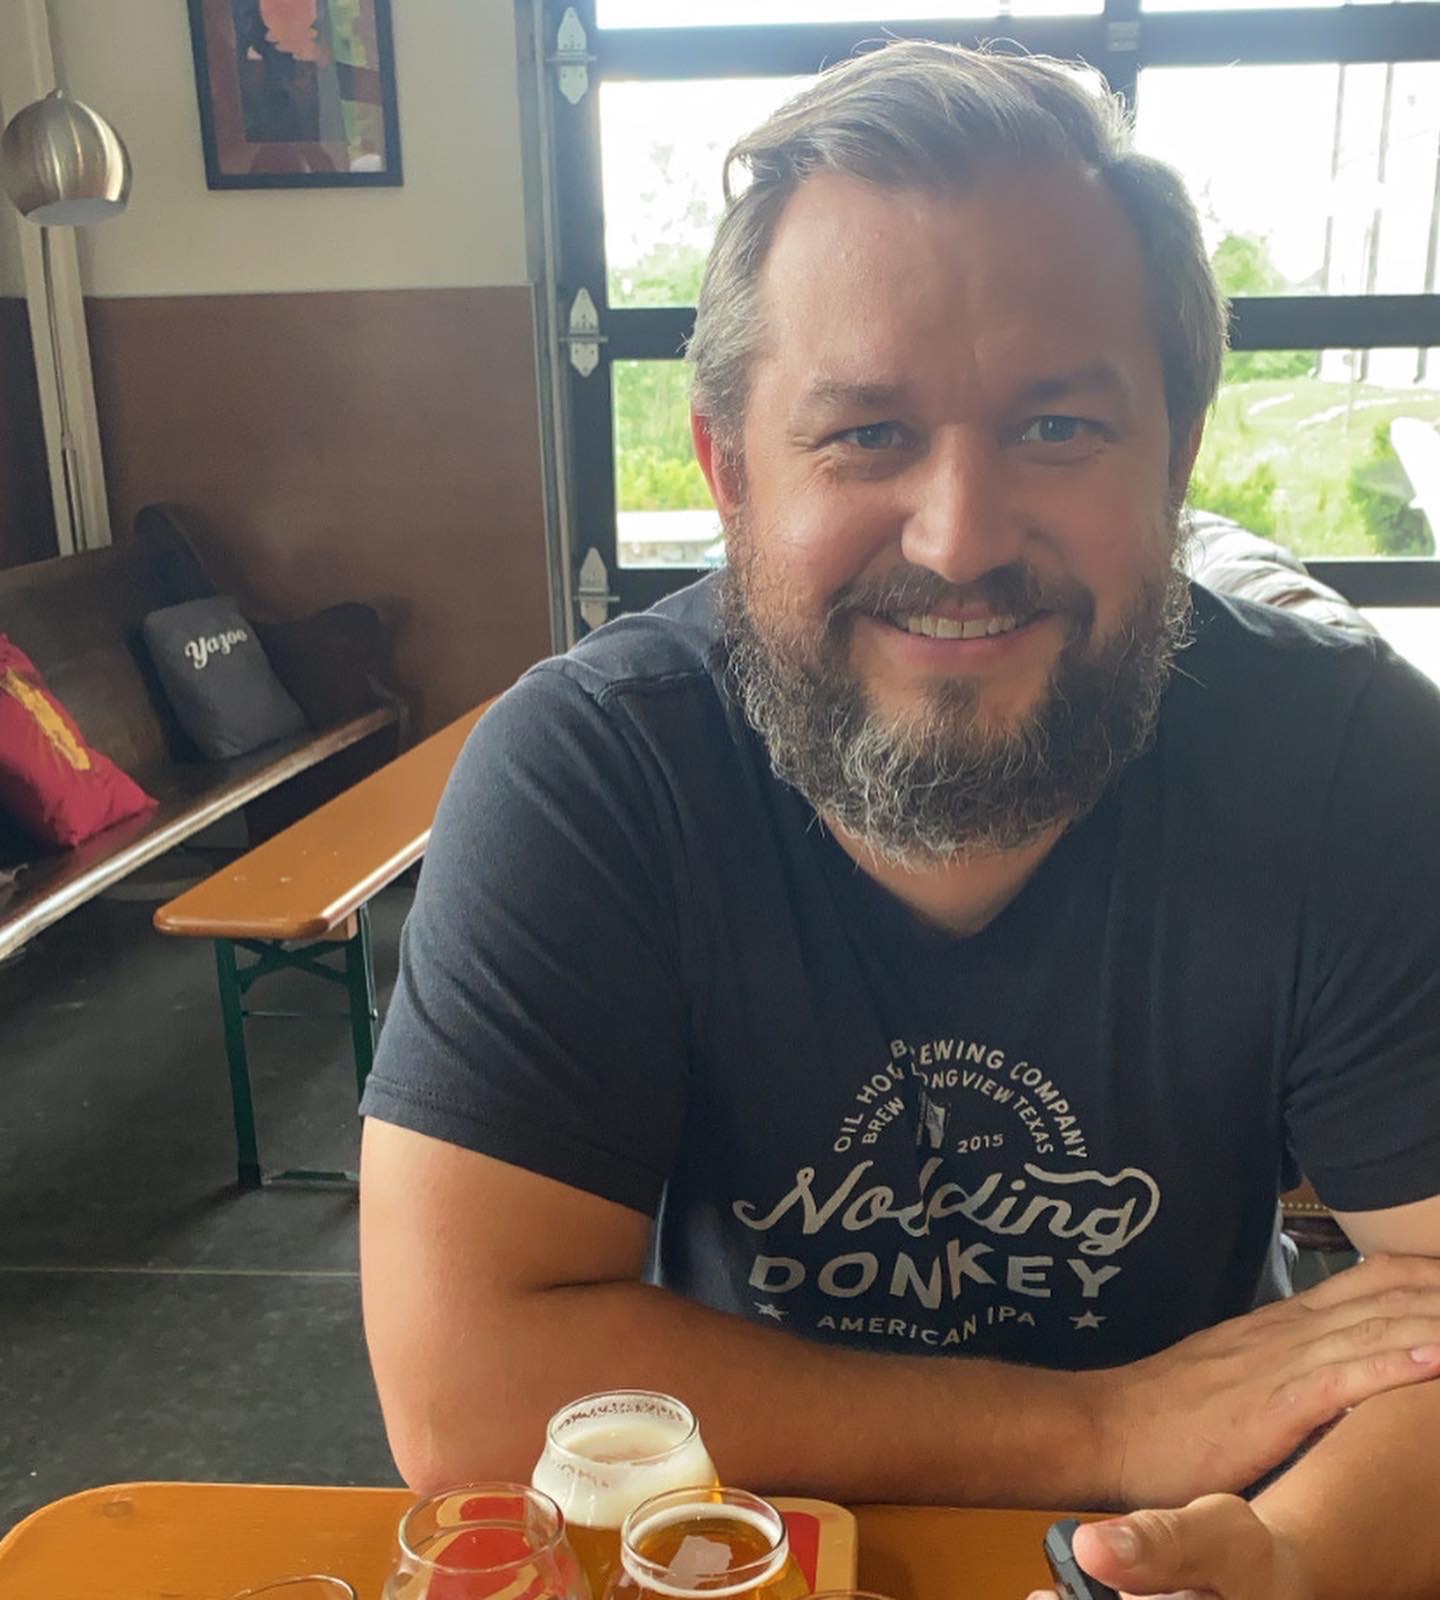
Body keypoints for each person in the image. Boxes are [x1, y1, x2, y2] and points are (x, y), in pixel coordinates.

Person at [359, 42, 1440, 1600]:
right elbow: (467, 1390)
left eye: (1058, 429)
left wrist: (1283, 1560)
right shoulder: (589, 776)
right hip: (731, 1550)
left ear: (1178, 461)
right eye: (866, 433)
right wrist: (1105, 1426)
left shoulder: (1351, 764)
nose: (960, 539)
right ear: (732, 473)